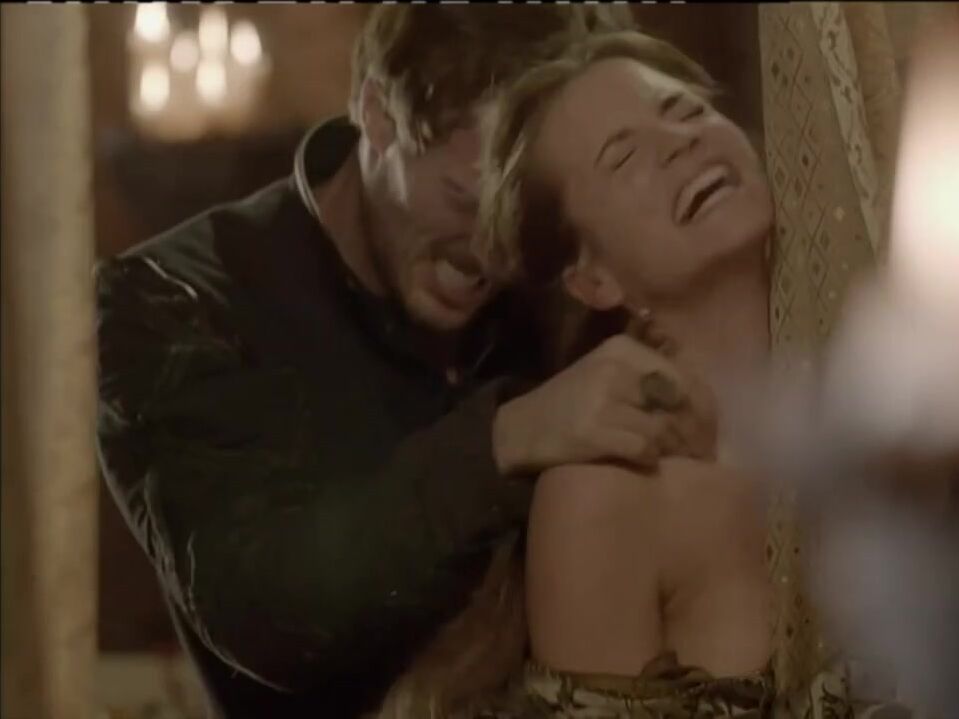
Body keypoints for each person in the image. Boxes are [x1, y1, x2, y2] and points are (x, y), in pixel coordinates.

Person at [94, 8, 716, 718]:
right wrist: (507, 438)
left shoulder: (559, 272)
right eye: (465, 196)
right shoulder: (173, 299)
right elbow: (268, 612)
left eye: (522, 210)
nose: (496, 251)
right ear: (376, 114)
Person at [380, 31, 911, 718]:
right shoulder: (606, 497)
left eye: (685, 111)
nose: (679, 143)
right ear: (593, 278)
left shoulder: (890, 380)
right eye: (624, 156)